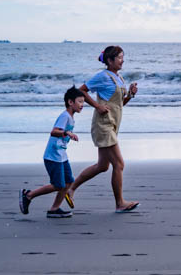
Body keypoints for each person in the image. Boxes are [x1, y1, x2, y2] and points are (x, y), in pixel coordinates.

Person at [67, 45, 140, 213]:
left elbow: (120, 105)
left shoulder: (119, 78)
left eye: (123, 57)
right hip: (103, 125)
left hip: (113, 125)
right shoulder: (102, 76)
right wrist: (97, 106)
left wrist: (130, 94)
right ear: (109, 60)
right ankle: (120, 203)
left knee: (102, 166)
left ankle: (70, 189)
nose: (123, 60)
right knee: (119, 164)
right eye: (120, 57)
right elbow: (81, 90)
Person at [20, 86, 85, 218]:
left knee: (68, 182)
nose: (82, 105)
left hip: (61, 155)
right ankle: (29, 195)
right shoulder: (65, 116)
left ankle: (54, 209)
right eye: (79, 101)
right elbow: (54, 131)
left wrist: (68, 134)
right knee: (58, 185)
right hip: (53, 156)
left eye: (83, 102)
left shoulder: (71, 117)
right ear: (70, 102)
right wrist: (67, 132)